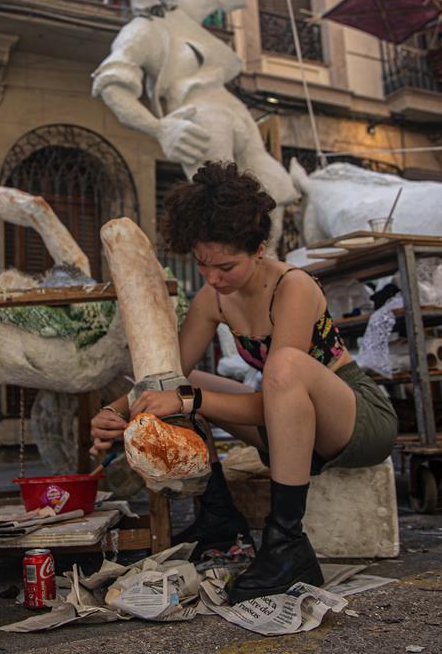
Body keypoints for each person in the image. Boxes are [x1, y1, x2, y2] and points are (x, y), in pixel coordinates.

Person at [89, 162, 397, 603]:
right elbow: (170, 374)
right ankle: (220, 518)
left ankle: (287, 542)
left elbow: (273, 392)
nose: (214, 278)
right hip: (288, 428)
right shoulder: (212, 298)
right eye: (202, 264)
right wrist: (114, 412)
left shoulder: (294, 286)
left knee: (279, 367)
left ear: (258, 249)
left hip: (353, 418)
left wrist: (186, 400)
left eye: (226, 266)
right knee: (182, 378)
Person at [92, 0, 298, 248]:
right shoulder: (138, 32)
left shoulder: (181, 5)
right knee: (228, 207)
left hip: (234, 110)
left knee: (274, 191)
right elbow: (112, 87)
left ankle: (267, 275)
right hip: (201, 117)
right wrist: (161, 128)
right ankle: (236, 283)